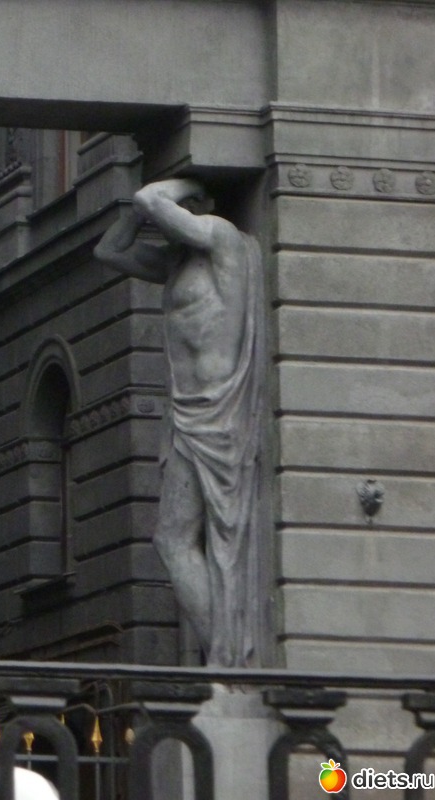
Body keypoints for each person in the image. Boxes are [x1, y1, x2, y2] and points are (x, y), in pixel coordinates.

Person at [94, 178, 264, 667]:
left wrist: (181, 185)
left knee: (208, 542)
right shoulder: (175, 263)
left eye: (184, 205)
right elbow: (108, 250)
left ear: (202, 204)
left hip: (221, 412)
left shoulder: (224, 239)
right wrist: (140, 211)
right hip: (186, 415)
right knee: (172, 540)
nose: (169, 216)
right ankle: (226, 656)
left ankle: (230, 663)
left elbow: (150, 199)